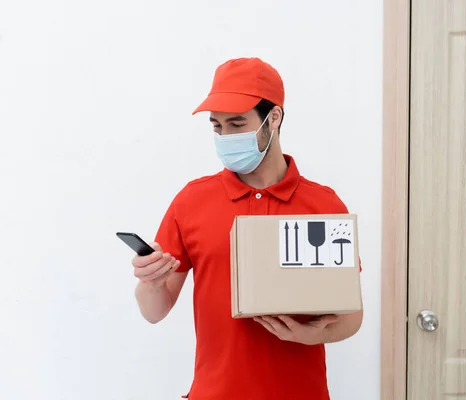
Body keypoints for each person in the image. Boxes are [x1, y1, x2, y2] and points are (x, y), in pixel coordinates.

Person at [131, 57, 363, 400]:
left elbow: (351, 318)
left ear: (274, 118)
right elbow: (155, 311)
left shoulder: (324, 205)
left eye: (237, 123)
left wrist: (309, 335)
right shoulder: (191, 201)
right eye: (216, 126)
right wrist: (150, 283)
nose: (225, 136)